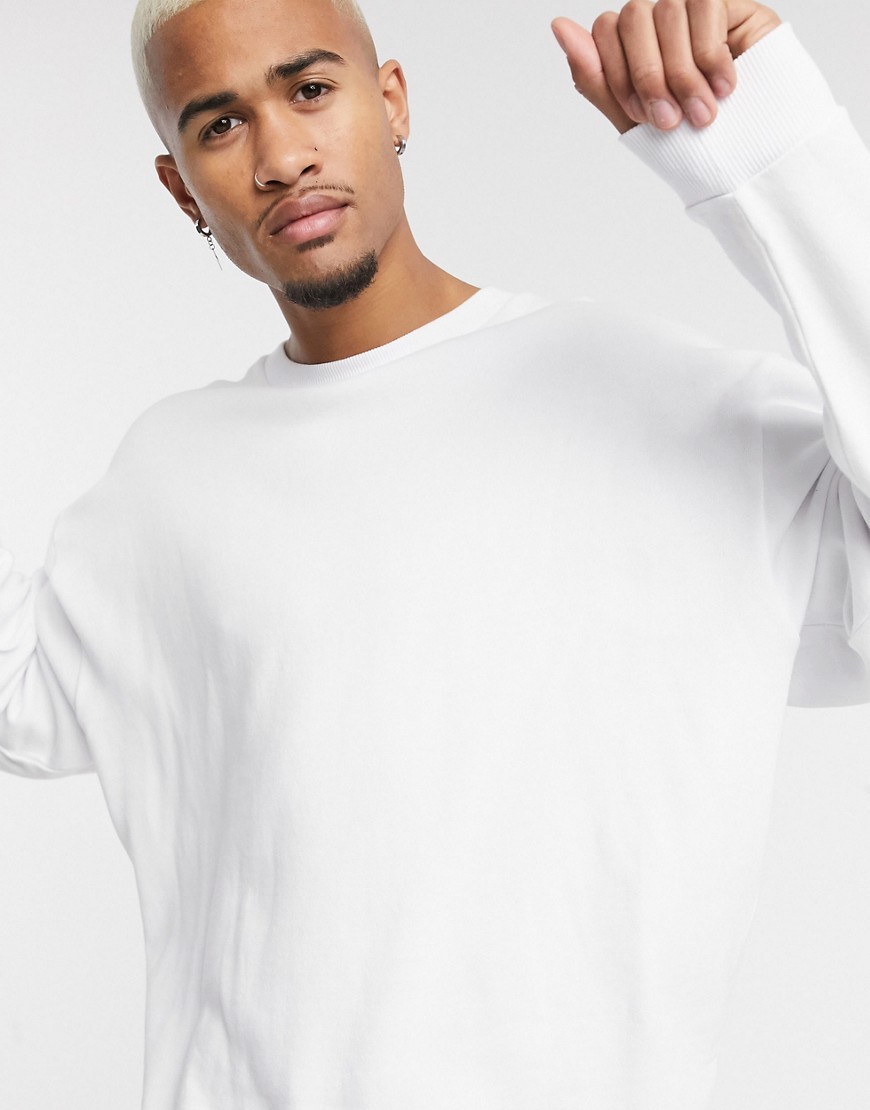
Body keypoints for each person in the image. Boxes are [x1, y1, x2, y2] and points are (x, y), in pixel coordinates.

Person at [1, 0, 867, 1106]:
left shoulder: (654, 405)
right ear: (182, 189)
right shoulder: (167, 480)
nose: (281, 157)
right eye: (219, 125)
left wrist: (776, 153)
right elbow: (20, 695)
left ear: (393, 101)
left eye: (311, 90)